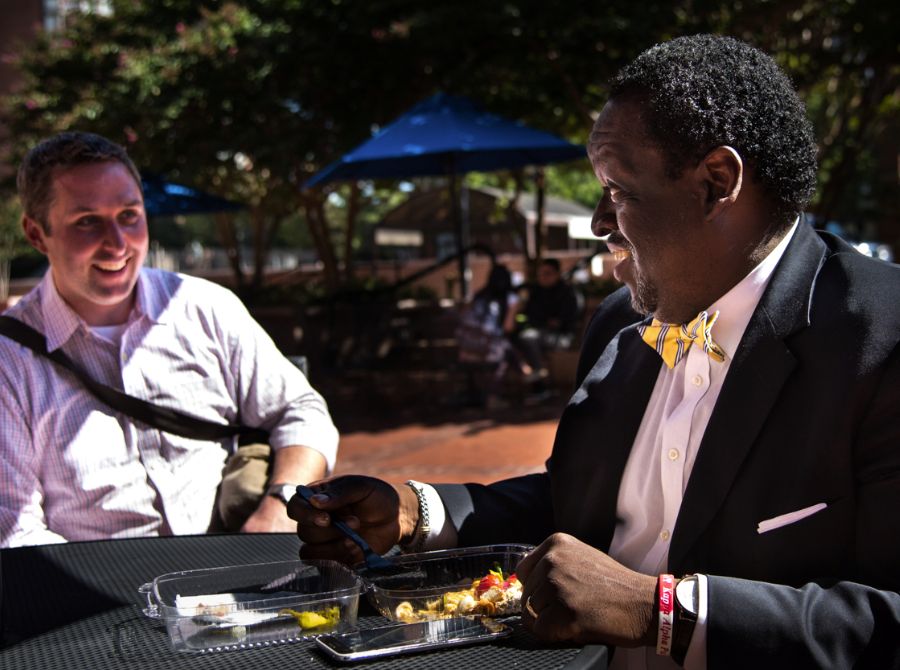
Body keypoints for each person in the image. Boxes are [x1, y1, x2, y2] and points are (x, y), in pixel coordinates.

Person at [290, 34, 900, 668]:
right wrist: (419, 514)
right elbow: (584, 504)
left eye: (618, 189)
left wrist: (660, 612)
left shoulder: (881, 339)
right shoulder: (620, 322)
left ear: (716, 182)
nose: (597, 222)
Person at [0, 131, 339, 547]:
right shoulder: (9, 361)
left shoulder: (203, 308)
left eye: (129, 215)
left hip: (233, 574)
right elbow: (16, 531)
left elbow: (301, 411)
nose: (118, 244)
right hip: (101, 592)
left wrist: (280, 507)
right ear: (37, 235)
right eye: (87, 222)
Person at [454, 263, 519, 407]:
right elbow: (508, 327)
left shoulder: (479, 295)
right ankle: (494, 396)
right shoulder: (511, 299)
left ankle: (524, 369)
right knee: (503, 353)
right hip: (489, 348)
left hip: (466, 348)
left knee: (503, 349)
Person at [513, 257, 580, 381]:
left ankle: (539, 371)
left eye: (547, 273)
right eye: (540, 274)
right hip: (541, 332)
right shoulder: (537, 291)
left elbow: (560, 322)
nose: (542, 277)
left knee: (528, 337)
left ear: (557, 274)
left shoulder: (567, 293)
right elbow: (528, 314)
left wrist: (541, 320)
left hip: (561, 336)